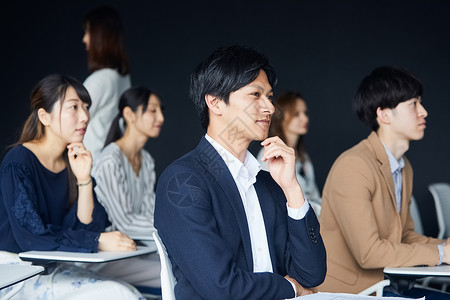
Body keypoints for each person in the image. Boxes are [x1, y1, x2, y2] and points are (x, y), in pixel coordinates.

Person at [154, 45, 327, 300]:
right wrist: (290, 288)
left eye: (269, 96)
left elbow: (312, 275)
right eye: (255, 95)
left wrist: (292, 190)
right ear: (215, 102)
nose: (269, 107)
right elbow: (222, 288)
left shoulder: (269, 182)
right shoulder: (183, 181)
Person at [0, 75, 143, 299]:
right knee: (120, 294)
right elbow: (31, 238)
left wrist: (84, 180)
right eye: (74, 107)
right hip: (15, 274)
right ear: (44, 116)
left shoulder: (73, 161)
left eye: (86, 108)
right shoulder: (18, 162)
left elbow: (86, 229)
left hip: (52, 267)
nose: (85, 116)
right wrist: (98, 241)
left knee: (127, 292)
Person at [317, 66, 450, 298]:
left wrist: (445, 247)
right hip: (353, 291)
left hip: (386, 284)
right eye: (413, 104)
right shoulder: (354, 165)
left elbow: (406, 235)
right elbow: (368, 253)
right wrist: (440, 253)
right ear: (384, 115)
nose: (424, 112)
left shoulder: (403, 166)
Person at [91, 86, 164, 291]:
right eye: (152, 110)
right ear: (129, 114)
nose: (160, 118)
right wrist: (174, 228)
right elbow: (125, 223)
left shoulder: (147, 160)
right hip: (106, 256)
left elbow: (150, 212)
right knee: (178, 275)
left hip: (137, 250)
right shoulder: (109, 160)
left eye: (161, 110)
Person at [82, 5, 131, 158]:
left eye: (88, 32)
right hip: (110, 164)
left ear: (101, 36)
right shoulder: (123, 78)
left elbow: (70, 122)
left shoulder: (99, 80)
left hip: (93, 167)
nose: (84, 39)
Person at [257, 91, 321, 208]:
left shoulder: (303, 157)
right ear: (280, 116)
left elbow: (315, 197)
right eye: (296, 114)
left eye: (305, 113)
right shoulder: (270, 154)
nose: (305, 119)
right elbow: (273, 202)